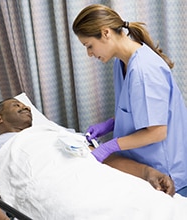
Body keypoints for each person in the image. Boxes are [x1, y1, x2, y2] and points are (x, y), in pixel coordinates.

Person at [0, 98, 175, 220]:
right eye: (16, 105)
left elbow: (100, 157)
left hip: (101, 183)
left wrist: (148, 172)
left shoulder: (55, 132)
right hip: (59, 194)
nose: (27, 107)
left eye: (26, 105)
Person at [72, 4, 187, 197]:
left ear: (105, 33)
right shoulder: (122, 62)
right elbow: (141, 114)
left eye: (89, 46)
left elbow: (157, 132)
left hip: (165, 172)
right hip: (141, 165)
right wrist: (109, 125)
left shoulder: (144, 70)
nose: (89, 54)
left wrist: (110, 146)